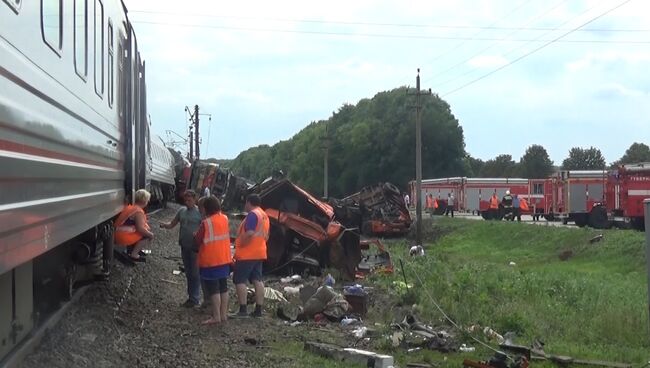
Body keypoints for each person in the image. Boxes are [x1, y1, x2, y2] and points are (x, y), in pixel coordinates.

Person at [160, 190, 204, 308]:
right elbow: (173, 223)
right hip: (184, 246)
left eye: (189, 200)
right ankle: (192, 297)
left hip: (196, 248)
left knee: (195, 273)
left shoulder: (200, 213)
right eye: (185, 200)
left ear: (195, 199)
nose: (187, 202)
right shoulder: (181, 211)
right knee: (189, 272)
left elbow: (205, 228)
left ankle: (195, 298)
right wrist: (165, 225)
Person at [194, 196, 232, 325]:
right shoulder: (225, 218)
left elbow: (198, 240)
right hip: (225, 258)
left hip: (211, 260)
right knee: (223, 288)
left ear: (206, 208)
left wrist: (195, 235)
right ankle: (223, 314)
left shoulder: (206, 223)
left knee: (214, 290)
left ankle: (216, 317)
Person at [233, 194, 270, 318]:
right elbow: (266, 236)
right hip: (260, 253)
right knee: (257, 280)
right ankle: (258, 310)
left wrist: (241, 244)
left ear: (249, 202)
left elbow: (249, 233)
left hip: (247, 253)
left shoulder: (253, 215)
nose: (245, 205)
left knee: (239, 280)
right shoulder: (264, 215)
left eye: (246, 203)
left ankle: (243, 310)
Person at [114, 189, 154, 262]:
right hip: (122, 237)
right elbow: (140, 229)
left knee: (145, 230)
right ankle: (134, 254)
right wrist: (151, 235)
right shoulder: (138, 212)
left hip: (116, 234)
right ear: (145, 201)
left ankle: (135, 249)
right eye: (148, 200)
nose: (148, 202)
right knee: (146, 235)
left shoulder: (130, 207)